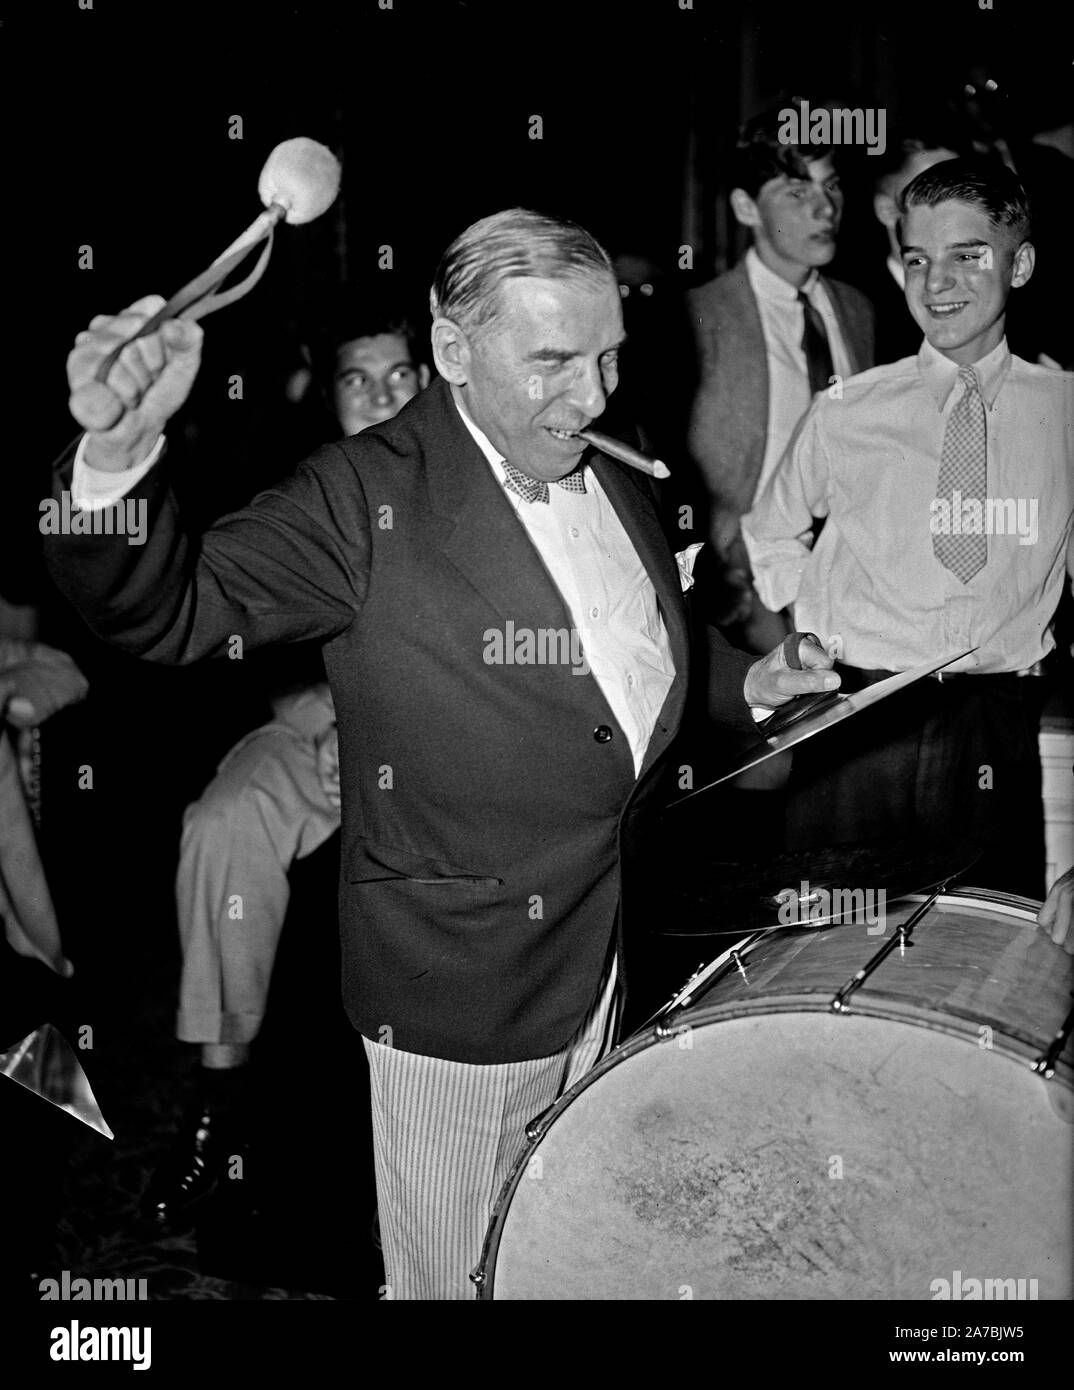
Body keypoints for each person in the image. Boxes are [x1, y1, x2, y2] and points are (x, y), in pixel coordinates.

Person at [49, 208, 837, 1299]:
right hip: (458, 983)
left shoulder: (615, 461)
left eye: (608, 354)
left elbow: (636, 642)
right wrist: (117, 458)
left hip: (607, 947)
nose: (595, 393)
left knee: (560, 1241)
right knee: (451, 1278)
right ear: (454, 349)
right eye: (554, 360)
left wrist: (744, 681)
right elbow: (173, 611)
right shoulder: (357, 494)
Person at [141, 309, 430, 1226]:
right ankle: (217, 1102)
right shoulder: (306, 491)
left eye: (400, 375)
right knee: (222, 824)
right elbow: (231, 638)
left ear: (431, 378)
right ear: (329, 393)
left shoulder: (474, 482)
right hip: (311, 722)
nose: (382, 396)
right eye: (359, 379)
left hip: (437, 741)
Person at [742, 158, 1074, 899]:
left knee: (971, 968)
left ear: (1019, 265)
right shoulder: (848, 411)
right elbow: (770, 530)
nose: (938, 282)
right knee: (825, 960)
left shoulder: (1064, 414)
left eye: (967, 255)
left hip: (996, 728)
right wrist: (807, 631)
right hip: (856, 729)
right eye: (918, 259)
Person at [686, 98, 874, 655]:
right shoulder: (700, 318)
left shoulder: (859, 310)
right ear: (746, 208)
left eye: (832, 186)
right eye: (797, 192)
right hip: (744, 595)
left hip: (849, 582)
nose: (825, 210)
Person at [869, 130, 960, 364]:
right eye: (931, 193)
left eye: (961, 190)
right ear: (887, 211)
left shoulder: (994, 293)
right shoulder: (862, 313)